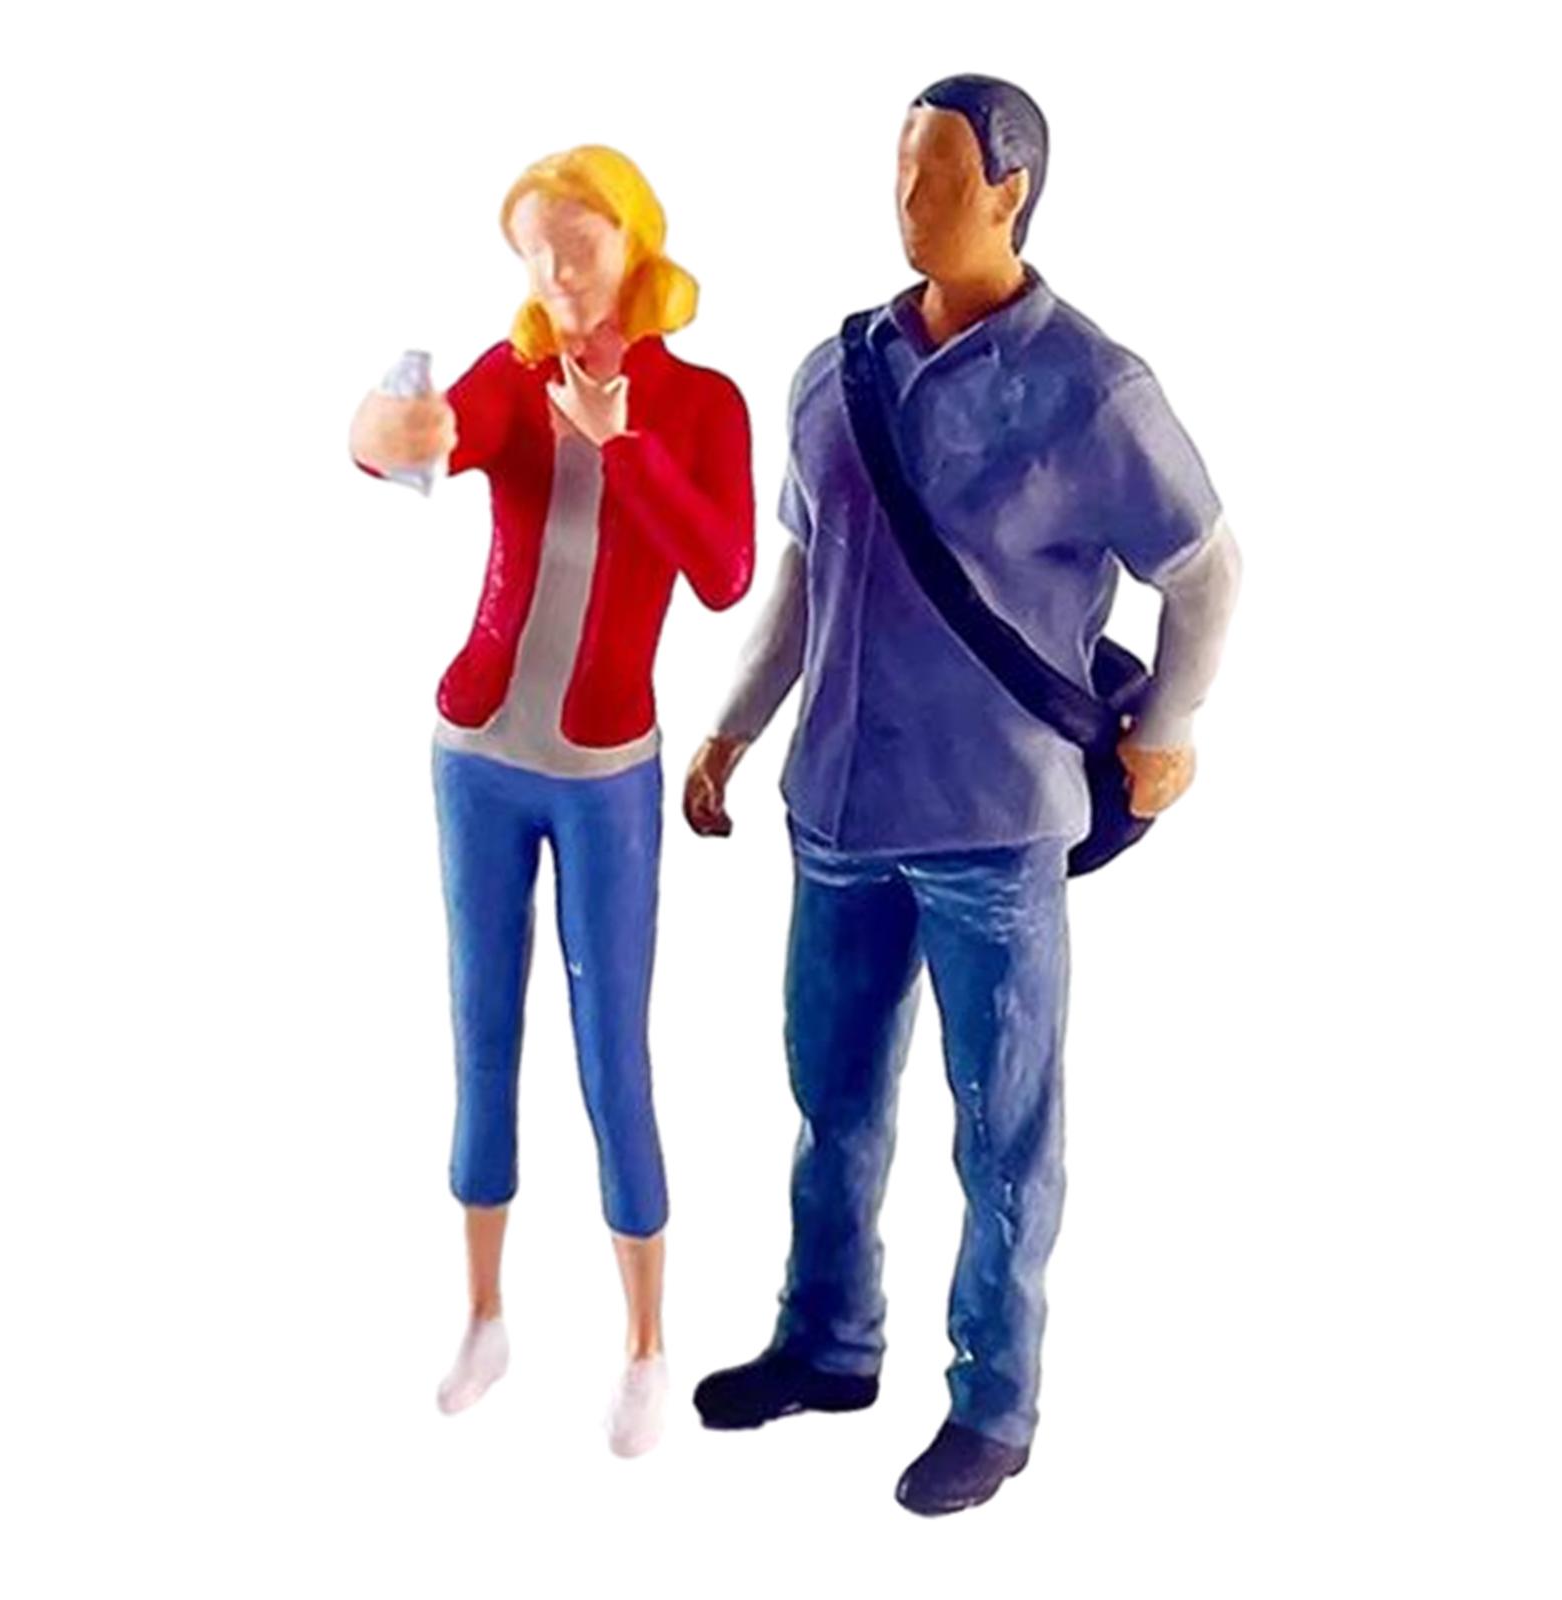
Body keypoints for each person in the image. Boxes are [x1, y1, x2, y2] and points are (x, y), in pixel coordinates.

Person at [684, 77, 1241, 1513]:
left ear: (1010, 190)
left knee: (1002, 1130)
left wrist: (1169, 725)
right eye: (899, 169)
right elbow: (804, 579)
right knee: (830, 1100)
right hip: (836, 808)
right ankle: (826, 1341)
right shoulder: (835, 373)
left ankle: (994, 1401)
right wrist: (733, 730)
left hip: (994, 825)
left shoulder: (1092, 390)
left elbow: (1205, 568)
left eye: (937, 173)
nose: (907, 197)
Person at [349, 145, 754, 1457]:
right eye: (535, 251)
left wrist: (622, 445)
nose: (557, 273)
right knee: (481, 1030)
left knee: (610, 1051)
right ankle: (484, 1315)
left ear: (636, 245)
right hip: (476, 750)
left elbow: (725, 571)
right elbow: (430, 436)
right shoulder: (516, 376)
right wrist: (384, 434)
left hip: (604, 773)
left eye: (578, 245)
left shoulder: (702, 404)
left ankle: (645, 1343)